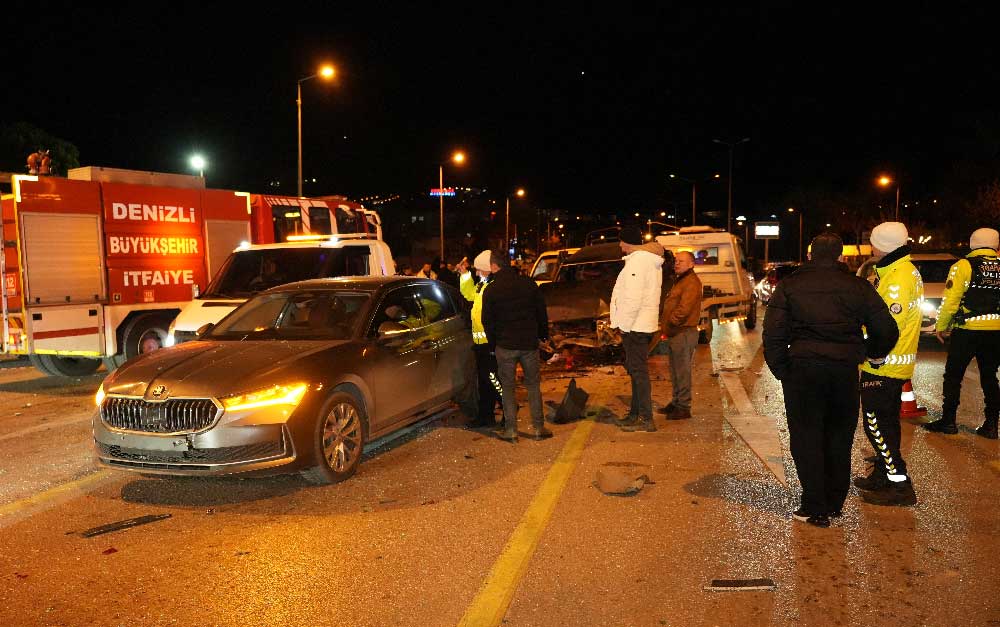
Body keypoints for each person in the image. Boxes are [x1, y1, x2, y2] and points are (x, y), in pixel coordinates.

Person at [763, 232, 898, 528]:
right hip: (843, 372)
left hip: (803, 371)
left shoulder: (790, 286)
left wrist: (783, 370)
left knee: (806, 437)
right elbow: (887, 329)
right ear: (840, 256)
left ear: (810, 255)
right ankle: (835, 503)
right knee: (839, 436)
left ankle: (814, 505)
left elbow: (773, 335)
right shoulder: (858, 287)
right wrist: (868, 353)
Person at [854, 222, 921, 506]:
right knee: (886, 423)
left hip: (884, 363)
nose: (870, 245)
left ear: (884, 244)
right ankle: (882, 475)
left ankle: (899, 484)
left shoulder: (898, 277)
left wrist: (874, 354)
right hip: (891, 362)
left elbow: (888, 327)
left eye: (873, 240)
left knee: (876, 424)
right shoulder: (898, 270)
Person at [924, 227, 1000, 439]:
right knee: (989, 377)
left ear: (973, 243)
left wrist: (941, 326)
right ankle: (992, 425)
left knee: (953, 376)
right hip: (995, 333)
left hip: (967, 331)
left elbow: (950, 301)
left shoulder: (963, 266)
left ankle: (948, 421)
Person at [482, 249, 552, 442]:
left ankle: (511, 429)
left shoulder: (492, 289)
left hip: (505, 345)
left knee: (508, 387)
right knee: (533, 386)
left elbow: (487, 320)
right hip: (528, 344)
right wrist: (543, 335)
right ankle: (538, 428)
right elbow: (541, 311)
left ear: (494, 266)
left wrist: (492, 344)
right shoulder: (528, 284)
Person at [609, 224, 665, 432]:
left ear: (626, 241)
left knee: (638, 372)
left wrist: (623, 325)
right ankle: (635, 414)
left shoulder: (638, 262)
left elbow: (633, 298)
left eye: (621, 241)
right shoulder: (645, 261)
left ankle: (645, 419)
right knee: (635, 371)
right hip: (640, 325)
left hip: (635, 327)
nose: (620, 245)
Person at [655, 250, 703, 420]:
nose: (677, 264)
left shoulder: (691, 282)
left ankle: (683, 406)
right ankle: (676, 402)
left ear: (691, 264)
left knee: (682, 370)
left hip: (683, 331)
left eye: (681, 261)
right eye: (676, 261)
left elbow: (684, 309)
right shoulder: (681, 280)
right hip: (677, 332)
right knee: (675, 370)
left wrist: (670, 323)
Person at [460, 250, 503, 428]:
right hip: (480, 344)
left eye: (479, 270)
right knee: (485, 382)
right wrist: (464, 276)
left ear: (488, 269)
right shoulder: (483, 285)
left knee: (493, 379)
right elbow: (470, 294)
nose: (476, 273)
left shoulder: (493, 288)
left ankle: (508, 407)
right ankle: (486, 416)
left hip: (490, 344)